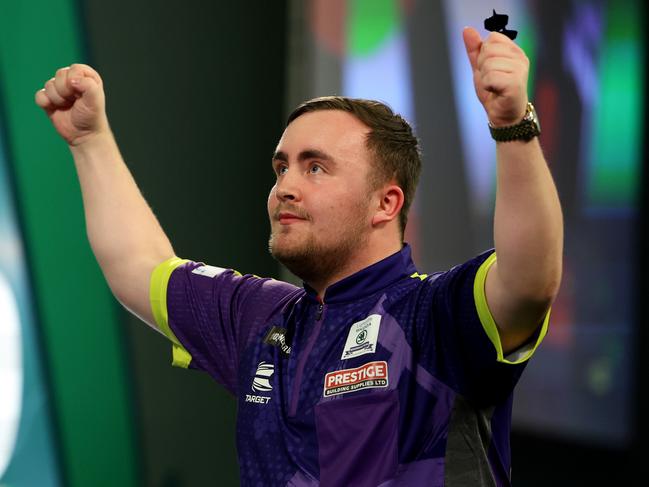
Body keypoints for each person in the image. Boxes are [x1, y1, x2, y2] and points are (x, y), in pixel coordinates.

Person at [35, 26, 562, 487]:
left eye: (315, 168)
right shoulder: (258, 316)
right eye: (281, 166)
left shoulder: (435, 317)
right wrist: (89, 141)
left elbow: (530, 280)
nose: (284, 186)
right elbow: (139, 267)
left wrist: (513, 128)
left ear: (387, 202)